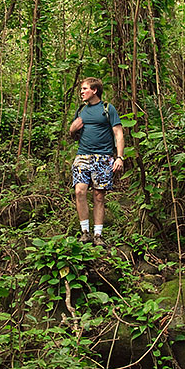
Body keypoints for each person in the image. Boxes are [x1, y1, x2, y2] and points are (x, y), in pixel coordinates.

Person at [69, 77, 124, 246]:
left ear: (94, 90)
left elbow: (119, 134)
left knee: (99, 196)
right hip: (83, 156)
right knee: (79, 191)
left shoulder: (108, 109)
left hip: (103, 157)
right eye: (81, 89)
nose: (82, 92)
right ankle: (84, 232)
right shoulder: (81, 110)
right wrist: (72, 129)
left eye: (85, 89)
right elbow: (73, 134)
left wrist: (120, 157)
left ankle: (98, 235)